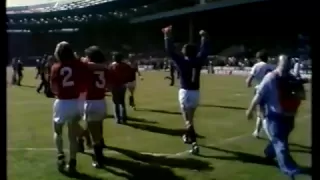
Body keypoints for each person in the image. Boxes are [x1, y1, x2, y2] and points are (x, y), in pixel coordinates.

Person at [246, 54, 306, 180]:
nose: (286, 66)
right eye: (284, 64)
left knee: (280, 140)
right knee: (281, 145)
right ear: (279, 64)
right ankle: (290, 169)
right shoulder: (270, 78)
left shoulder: (292, 78)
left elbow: (302, 96)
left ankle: (269, 153)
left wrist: (296, 90)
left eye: (288, 64)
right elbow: (259, 94)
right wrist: (250, 109)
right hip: (275, 117)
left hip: (289, 117)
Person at [50, 41, 107, 173]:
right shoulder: (80, 65)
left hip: (62, 102)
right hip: (77, 103)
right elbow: (92, 68)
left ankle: (60, 155)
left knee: (57, 131)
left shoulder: (56, 67)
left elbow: (53, 88)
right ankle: (72, 161)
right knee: (72, 136)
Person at [163, 25, 209, 154]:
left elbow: (170, 51)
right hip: (196, 92)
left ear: (185, 52)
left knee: (187, 120)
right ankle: (187, 136)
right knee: (190, 119)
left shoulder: (182, 61)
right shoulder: (198, 60)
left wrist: (167, 36)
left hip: (185, 92)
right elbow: (204, 50)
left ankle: (194, 143)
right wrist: (204, 37)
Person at [82, 46, 109, 168]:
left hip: (91, 102)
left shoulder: (86, 67)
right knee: (98, 126)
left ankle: (99, 159)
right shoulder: (103, 68)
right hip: (102, 101)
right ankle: (96, 144)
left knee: (94, 134)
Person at [245, 50, 275, 138]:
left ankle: (270, 134)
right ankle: (257, 131)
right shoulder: (272, 66)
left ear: (258, 58)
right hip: (271, 91)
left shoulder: (257, 66)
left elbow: (249, 79)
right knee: (264, 112)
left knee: (261, 113)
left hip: (260, 90)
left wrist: (248, 83)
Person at [108, 52, 133, 124]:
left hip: (115, 86)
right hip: (123, 85)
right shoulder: (126, 65)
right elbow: (130, 75)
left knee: (116, 103)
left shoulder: (112, 66)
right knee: (122, 102)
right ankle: (124, 118)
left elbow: (109, 76)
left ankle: (118, 118)